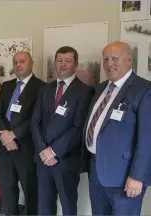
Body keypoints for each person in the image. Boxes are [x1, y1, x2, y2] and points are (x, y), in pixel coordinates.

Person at [84, 41, 151, 215]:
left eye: (115, 58)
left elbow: (147, 139)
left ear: (129, 59)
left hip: (124, 177)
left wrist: (137, 177)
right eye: (105, 59)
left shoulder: (144, 90)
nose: (109, 64)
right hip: (96, 173)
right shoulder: (100, 89)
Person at [30, 46, 93, 215]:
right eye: (59, 60)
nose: (63, 65)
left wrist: (54, 151)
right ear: (55, 64)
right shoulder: (45, 90)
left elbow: (79, 128)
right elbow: (35, 123)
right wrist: (43, 150)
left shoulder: (85, 91)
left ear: (76, 65)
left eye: (68, 61)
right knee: (44, 205)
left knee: (68, 205)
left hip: (66, 161)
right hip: (42, 160)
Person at [0, 51, 45, 215]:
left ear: (31, 63)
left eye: (22, 61)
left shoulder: (42, 88)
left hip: (26, 147)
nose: (18, 65)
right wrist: (4, 136)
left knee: (30, 189)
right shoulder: (7, 86)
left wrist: (13, 134)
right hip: (5, 146)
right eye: (15, 62)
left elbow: (37, 118)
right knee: (7, 186)